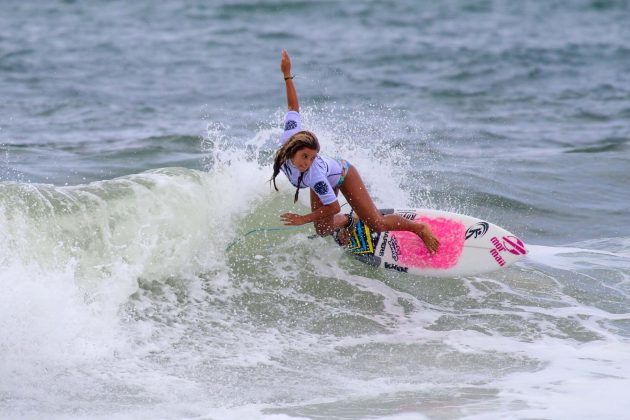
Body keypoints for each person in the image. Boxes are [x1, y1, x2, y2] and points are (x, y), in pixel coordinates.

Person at [270, 50, 439, 254]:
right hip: (324, 178)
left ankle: (419, 228)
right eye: (304, 156)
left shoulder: (315, 174)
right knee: (323, 229)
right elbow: (293, 106)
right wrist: (286, 74)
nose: (308, 162)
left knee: (377, 224)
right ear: (292, 149)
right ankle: (352, 221)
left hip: (343, 174)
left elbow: (333, 208)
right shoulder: (289, 137)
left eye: (313, 157)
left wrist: (302, 219)